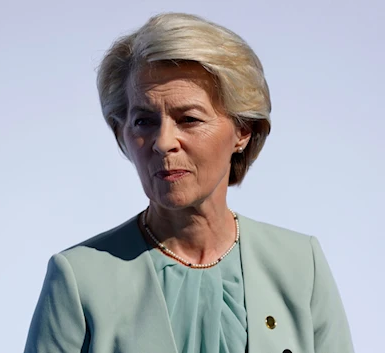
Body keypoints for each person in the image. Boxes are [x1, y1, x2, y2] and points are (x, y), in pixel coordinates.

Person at [23, 13, 354, 353]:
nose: (163, 142)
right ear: (122, 133)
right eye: (144, 121)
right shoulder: (78, 279)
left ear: (243, 131)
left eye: (189, 119)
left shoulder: (301, 264)